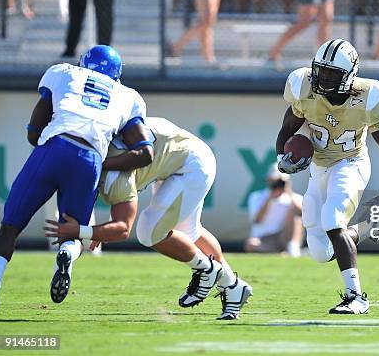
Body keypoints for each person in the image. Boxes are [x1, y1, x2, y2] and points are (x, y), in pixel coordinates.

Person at [45, 117, 252, 320]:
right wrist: (98, 230)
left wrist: (88, 231)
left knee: (149, 231)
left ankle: (207, 268)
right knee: (190, 232)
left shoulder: (115, 176)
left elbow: (123, 229)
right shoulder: (101, 143)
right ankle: (233, 286)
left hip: (190, 164)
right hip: (182, 156)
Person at [0, 45, 150, 310]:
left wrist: (41, 145)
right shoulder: (129, 96)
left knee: (10, 226)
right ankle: (66, 254)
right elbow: (145, 152)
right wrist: (104, 162)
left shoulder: (65, 73)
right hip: (89, 159)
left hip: (54, 147)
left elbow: (35, 128)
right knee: (72, 229)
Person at [276, 39, 379, 314]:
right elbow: (287, 129)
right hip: (319, 168)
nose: (324, 77)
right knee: (321, 251)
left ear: (348, 75)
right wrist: (281, 159)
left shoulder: (368, 97)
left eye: (332, 73)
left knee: (333, 219)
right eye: (321, 70)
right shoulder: (303, 88)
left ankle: (356, 297)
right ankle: (372, 226)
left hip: (351, 163)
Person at [245, 167, 303, 257]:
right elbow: (257, 220)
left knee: (294, 213)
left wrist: (288, 191)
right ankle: (282, 253)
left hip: (284, 237)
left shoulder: (295, 198)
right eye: (274, 181)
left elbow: (302, 213)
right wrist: (270, 197)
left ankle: (292, 247)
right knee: (251, 244)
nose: (277, 184)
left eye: (280, 181)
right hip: (264, 239)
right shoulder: (256, 197)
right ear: (268, 181)